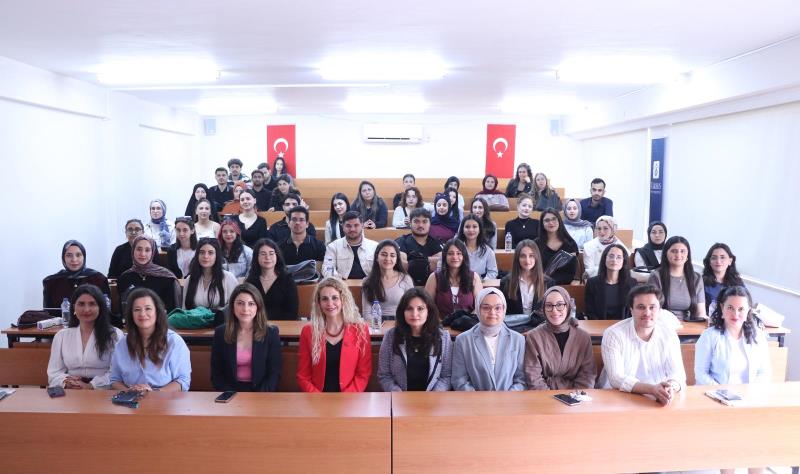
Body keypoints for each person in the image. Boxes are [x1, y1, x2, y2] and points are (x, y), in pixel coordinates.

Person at [600, 285, 686, 405]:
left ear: (660, 310)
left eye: (652, 307)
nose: (647, 313)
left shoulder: (669, 334)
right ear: (631, 310)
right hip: (617, 397)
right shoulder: (613, 334)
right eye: (641, 307)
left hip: (656, 398)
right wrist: (652, 389)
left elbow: (678, 374)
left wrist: (669, 387)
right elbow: (616, 378)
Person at [296, 277, 372, 392]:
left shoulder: (360, 330)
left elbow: (363, 374)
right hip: (317, 398)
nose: (330, 304)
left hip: (350, 398)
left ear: (343, 300)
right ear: (319, 303)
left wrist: (345, 399)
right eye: (324, 299)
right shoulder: (308, 332)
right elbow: (303, 376)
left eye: (335, 298)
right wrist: (318, 398)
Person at [110, 288, 191, 392]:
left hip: (166, 399)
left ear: (157, 311)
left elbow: (182, 381)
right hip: (129, 399)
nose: (142, 314)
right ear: (131, 314)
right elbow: (114, 380)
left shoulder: (174, 341)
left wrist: (154, 394)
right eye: (137, 309)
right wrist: (130, 392)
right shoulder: (122, 344)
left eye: (148, 308)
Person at [47, 284, 124, 389]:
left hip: (102, 391)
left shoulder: (114, 335)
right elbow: (54, 373)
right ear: (73, 307)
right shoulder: (61, 336)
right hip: (71, 391)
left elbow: (117, 373)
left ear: (100, 307)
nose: (86, 309)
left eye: (92, 304)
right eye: (81, 304)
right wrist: (66, 382)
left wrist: (91, 385)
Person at [451, 287, 526, 391]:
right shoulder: (463, 340)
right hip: (474, 400)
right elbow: (459, 380)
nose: (492, 312)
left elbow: (521, 380)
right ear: (478, 309)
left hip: (509, 399)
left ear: (504, 310)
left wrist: (506, 398)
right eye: (486, 308)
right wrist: (481, 400)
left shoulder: (518, 340)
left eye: (497, 308)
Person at [377, 288, 452, 391]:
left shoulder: (443, 337)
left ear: (428, 311)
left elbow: (446, 376)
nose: (414, 314)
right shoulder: (391, 336)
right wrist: (398, 395)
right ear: (402, 312)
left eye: (420, 309)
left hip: (433, 398)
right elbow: (384, 375)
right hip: (399, 397)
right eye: (409, 308)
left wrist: (433, 396)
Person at [211, 283, 282, 392]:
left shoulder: (271, 333)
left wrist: (258, 397)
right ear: (232, 306)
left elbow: (274, 373)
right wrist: (231, 394)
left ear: (258, 307)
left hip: (262, 393)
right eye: (240, 303)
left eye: (251, 304)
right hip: (230, 393)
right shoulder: (221, 333)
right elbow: (217, 374)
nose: (245, 309)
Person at [695, 286, 771, 387]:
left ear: (748, 310)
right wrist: (721, 391)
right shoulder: (709, 336)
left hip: (749, 394)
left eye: (741, 309)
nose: (735, 314)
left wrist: (751, 390)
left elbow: (764, 372)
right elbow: (701, 373)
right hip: (714, 393)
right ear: (722, 307)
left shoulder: (758, 336)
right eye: (730, 308)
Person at [523, 286, 596, 390]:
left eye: (560, 305)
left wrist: (575, 396)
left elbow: (587, 375)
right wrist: (548, 397)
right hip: (542, 396)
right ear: (543, 308)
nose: (554, 310)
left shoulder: (583, 337)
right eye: (549, 305)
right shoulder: (534, 337)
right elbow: (533, 377)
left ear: (568, 306)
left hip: (577, 396)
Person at [648, 236, 707, 321]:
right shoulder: (656, 276)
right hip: (662, 323)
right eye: (674, 251)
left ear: (687, 255)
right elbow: (652, 308)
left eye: (682, 251)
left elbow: (700, 312)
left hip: (688, 325)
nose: (678, 255)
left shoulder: (696, 278)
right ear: (666, 254)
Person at [118, 236, 181, 312]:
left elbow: (171, 311)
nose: (142, 254)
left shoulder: (166, 278)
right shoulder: (124, 278)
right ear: (133, 250)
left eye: (147, 250)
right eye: (139, 249)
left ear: (153, 252)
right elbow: (123, 310)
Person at [43, 240, 110, 309]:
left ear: (84, 257)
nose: (74, 259)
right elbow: (48, 312)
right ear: (63, 258)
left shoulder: (99, 279)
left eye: (78, 255)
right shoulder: (51, 282)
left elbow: (106, 310)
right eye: (69, 255)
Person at [425, 239, 483, 318]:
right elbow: (428, 305)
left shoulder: (474, 277)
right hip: (440, 323)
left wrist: (469, 320)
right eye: (450, 253)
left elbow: (480, 305)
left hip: (468, 323)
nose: (455, 257)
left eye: (459, 253)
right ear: (445, 256)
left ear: (464, 256)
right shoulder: (434, 277)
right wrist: (439, 321)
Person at [246, 239, 299, 321]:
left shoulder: (287, 280)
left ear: (277, 256)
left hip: (283, 325)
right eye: (263, 254)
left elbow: (292, 312)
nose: (267, 257)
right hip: (257, 325)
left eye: (271, 253)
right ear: (256, 257)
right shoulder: (250, 281)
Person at [361, 240, 414, 319]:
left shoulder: (405, 279)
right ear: (377, 257)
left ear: (396, 259)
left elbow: (411, 306)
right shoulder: (367, 281)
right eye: (384, 254)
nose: (388, 258)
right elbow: (367, 313)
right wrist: (376, 325)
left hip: (400, 321)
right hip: (376, 322)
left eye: (392, 255)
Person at [499, 240, 554, 316]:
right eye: (523, 256)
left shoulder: (548, 282)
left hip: (539, 323)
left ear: (536, 257)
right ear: (517, 258)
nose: (527, 260)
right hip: (514, 323)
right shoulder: (506, 282)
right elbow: (503, 311)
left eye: (531, 256)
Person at [182, 238, 239, 310]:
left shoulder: (228, 278)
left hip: (221, 317)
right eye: (202, 252)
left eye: (210, 253)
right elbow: (184, 308)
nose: (205, 256)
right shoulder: (190, 279)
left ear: (217, 256)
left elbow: (235, 306)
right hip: (195, 317)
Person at [322, 211, 378, 279]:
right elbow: (327, 268)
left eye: (356, 225)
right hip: (342, 284)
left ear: (362, 225)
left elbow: (381, 269)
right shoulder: (333, 247)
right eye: (348, 226)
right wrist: (337, 278)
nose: (352, 229)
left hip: (369, 284)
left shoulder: (375, 247)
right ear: (343, 227)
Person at [395, 208, 443, 286]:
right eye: (416, 221)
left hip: (432, 285)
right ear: (410, 223)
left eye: (424, 221)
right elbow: (401, 265)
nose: (420, 225)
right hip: (405, 286)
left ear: (430, 224)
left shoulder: (436, 242)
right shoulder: (402, 241)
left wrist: (413, 261)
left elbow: (441, 264)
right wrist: (428, 261)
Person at [585, 244, 633, 319]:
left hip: (624, 325)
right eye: (611, 256)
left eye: (619, 257)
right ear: (605, 259)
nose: (614, 260)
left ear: (624, 261)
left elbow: (632, 311)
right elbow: (590, 311)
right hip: (598, 324)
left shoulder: (632, 284)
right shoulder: (592, 283)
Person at [534, 208, 578, 285]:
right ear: (542, 224)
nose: (551, 222)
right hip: (542, 285)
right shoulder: (536, 244)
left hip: (566, 285)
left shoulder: (570, 244)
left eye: (554, 219)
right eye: (547, 220)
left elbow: (572, 270)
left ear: (559, 221)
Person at [702, 243, 745, 314]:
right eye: (714, 258)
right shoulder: (701, 282)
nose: (718, 261)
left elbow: (744, 304)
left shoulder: (738, 282)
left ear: (730, 261)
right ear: (709, 262)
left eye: (722, 257)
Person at [455, 214, 498, 279]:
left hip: (481, 283)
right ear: (462, 230)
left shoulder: (488, 251)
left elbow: (493, 272)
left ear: (479, 230)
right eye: (467, 227)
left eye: (474, 227)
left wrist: (482, 281)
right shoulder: (455, 248)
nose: (471, 230)